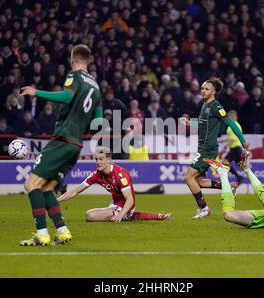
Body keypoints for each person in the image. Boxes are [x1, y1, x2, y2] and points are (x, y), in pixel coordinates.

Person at [18, 44, 103, 246]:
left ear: (73, 59)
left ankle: (41, 233)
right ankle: (62, 231)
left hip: (62, 139)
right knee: (46, 189)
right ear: (88, 61)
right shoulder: (97, 87)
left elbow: (66, 96)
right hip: (76, 146)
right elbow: (97, 123)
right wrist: (82, 122)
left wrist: (36, 92)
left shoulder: (74, 76)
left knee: (31, 185)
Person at [180, 77, 249, 219]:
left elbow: (231, 123)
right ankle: (228, 187)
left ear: (213, 92)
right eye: (202, 89)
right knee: (198, 181)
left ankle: (204, 208)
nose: (203, 91)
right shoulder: (204, 106)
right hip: (203, 148)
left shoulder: (216, 106)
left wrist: (242, 141)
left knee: (188, 177)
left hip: (208, 149)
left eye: (206, 89)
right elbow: (201, 124)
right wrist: (189, 123)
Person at [57, 146, 171, 222]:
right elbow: (76, 190)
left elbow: (130, 199)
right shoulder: (96, 174)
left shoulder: (120, 174)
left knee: (90, 216)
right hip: (114, 205)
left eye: (101, 159)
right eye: (96, 159)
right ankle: (157, 216)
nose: (98, 162)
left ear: (108, 160)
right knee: (90, 214)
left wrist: (120, 215)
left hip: (126, 207)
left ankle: (129, 215)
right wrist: (55, 201)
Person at [213, 110, 246, 184]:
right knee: (242, 166)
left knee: (224, 162)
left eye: (231, 116)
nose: (229, 118)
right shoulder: (232, 126)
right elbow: (231, 137)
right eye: (229, 117)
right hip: (235, 149)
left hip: (235, 149)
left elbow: (232, 139)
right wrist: (222, 141)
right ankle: (239, 177)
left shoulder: (234, 126)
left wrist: (224, 148)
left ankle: (238, 177)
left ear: (235, 117)